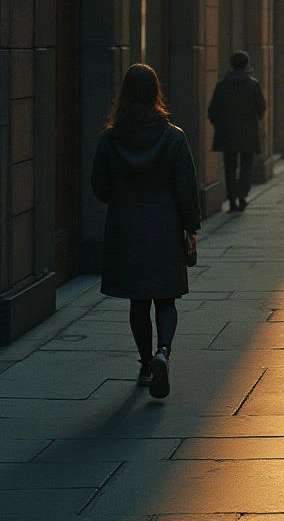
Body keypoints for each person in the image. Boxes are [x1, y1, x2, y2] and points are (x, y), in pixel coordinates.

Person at [91, 63, 201, 399]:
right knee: (165, 299)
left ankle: (144, 362)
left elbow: (100, 188)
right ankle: (162, 353)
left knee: (138, 302)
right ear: (156, 93)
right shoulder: (173, 137)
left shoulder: (110, 139)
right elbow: (186, 188)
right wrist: (190, 228)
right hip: (165, 228)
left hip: (126, 230)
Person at [207, 50, 266, 211]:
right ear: (247, 64)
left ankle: (231, 197)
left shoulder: (221, 84)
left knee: (229, 166)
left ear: (231, 65)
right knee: (247, 165)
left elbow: (212, 110)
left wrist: (218, 124)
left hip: (227, 132)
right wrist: (256, 120)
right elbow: (261, 107)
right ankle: (242, 195)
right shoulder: (253, 85)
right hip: (248, 131)